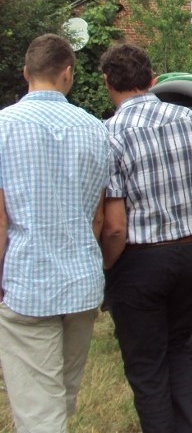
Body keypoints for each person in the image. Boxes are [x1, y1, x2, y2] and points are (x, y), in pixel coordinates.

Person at [99, 43, 192, 433]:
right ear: (152, 78)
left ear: (108, 82)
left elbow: (114, 226)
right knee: (178, 351)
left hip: (140, 261)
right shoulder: (191, 120)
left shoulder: (109, 133)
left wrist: (107, 267)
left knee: (147, 369)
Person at [0, 33, 110, 432]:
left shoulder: (3, 127)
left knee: (38, 411)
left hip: (28, 283)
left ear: (26, 73)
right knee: (61, 396)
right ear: (68, 74)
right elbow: (102, 220)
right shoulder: (97, 130)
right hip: (81, 283)